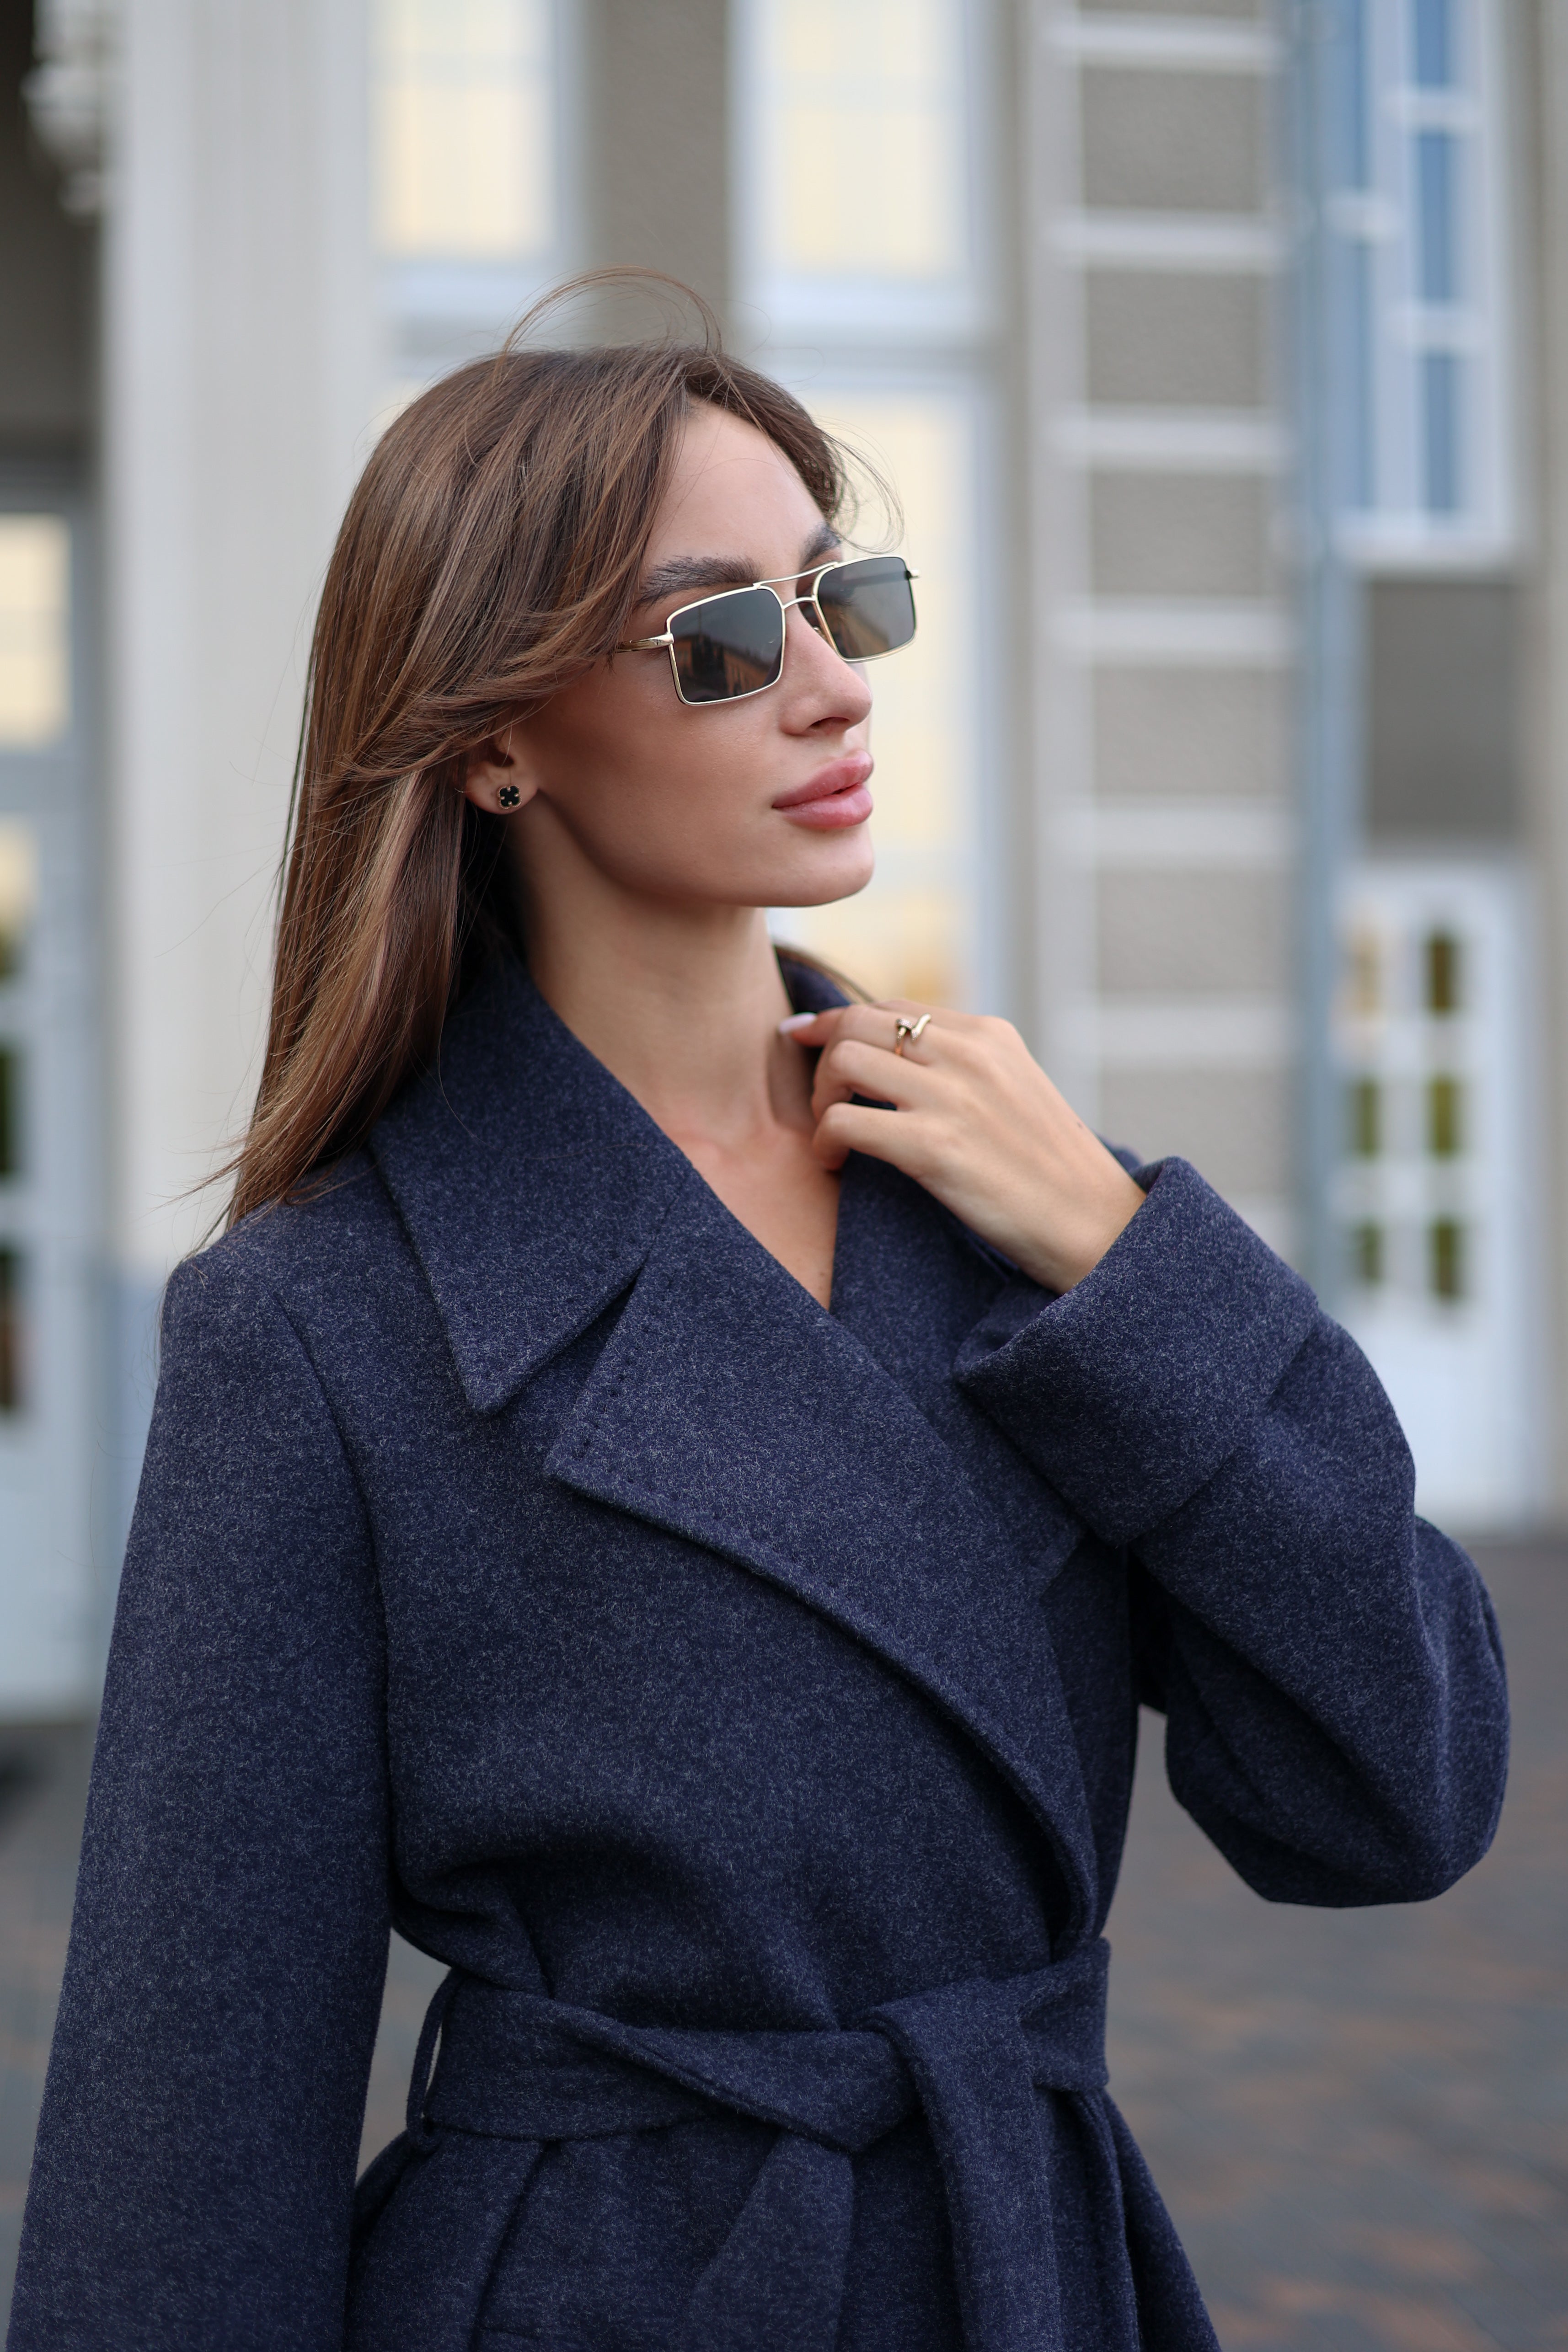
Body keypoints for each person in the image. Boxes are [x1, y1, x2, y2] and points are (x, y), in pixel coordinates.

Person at [10, 289, 1508, 2352]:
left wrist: (1128, 1256)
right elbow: (185, 2140)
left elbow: (1400, 1791)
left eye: (842, 597)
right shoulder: (323, 1327)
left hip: (1029, 2262)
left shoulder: (1025, 1220)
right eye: (719, 637)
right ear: (499, 742)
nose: (829, 686)